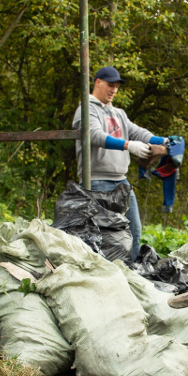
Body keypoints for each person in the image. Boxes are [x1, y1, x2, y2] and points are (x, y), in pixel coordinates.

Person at [72, 66, 171, 261]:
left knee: (134, 230)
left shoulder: (119, 113)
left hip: (121, 182)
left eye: (117, 87)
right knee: (105, 236)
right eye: (110, 85)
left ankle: (131, 275)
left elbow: (137, 132)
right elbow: (94, 135)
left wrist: (162, 141)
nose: (114, 90)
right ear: (97, 82)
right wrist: (128, 145)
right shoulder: (86, 109)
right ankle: (104, 276)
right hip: (96, 181)